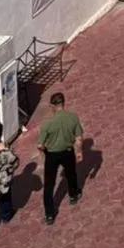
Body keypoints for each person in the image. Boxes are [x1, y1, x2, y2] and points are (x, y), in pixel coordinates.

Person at [38, 92, 83, 225]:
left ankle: (50, 213)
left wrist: (45, 152)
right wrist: (79, 152)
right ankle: (73, 195)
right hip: (68, 152)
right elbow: (79, 138)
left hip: (52, 155)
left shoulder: (47, 124)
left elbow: (40, 145)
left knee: (49, 184)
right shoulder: (73, 118)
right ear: (63, 103)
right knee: (71, 174)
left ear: (53, 105)